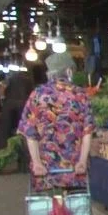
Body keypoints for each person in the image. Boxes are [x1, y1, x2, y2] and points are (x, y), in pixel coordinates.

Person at [17, 52, 94, 192]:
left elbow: (29, 132)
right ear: (69, 71)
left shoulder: (37, 95)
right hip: (75, 170)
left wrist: (37, 163)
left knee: (46, 210)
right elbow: (87, 133)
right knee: (76, 208)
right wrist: (82, 161)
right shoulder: (81, 95)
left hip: (45, 170)